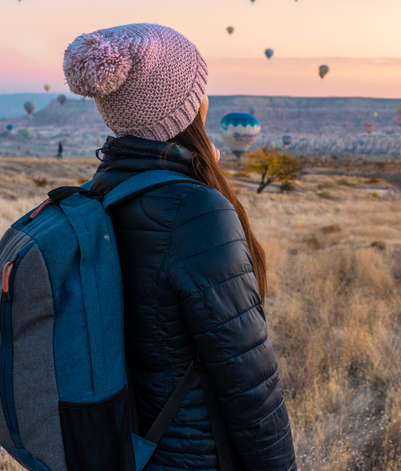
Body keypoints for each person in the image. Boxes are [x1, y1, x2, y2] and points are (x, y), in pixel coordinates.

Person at [63, 24, 296, 471]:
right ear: (185, 107)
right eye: (200, 88)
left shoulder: (101, 192)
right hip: (194, 456)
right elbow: (248, 379)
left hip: (128, 448)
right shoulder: (194, 210)